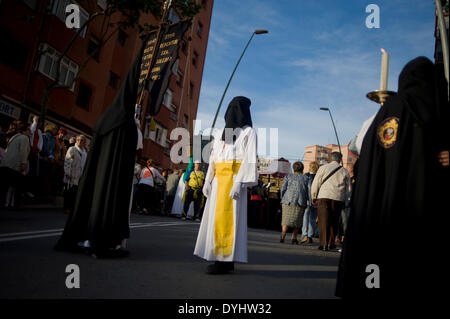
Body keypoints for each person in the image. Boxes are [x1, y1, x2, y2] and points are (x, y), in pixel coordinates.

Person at [336, 57, 449, 299]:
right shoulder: (436, 111)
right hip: (420, 211)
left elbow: (360, 151)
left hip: (378, 211)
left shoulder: (384, 113)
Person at [194, 96, 258, 275]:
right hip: (217, 181)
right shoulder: (220, 132)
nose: (233, 112)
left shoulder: (249, 132)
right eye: (231, 108)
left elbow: (249, 159)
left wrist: (239, 183)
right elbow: (214, 156)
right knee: (215, 217)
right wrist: (208, 179)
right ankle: (221, 256)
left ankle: (224, 259)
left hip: (234, 179)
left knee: (229, 218)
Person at [311, 152, 350, 251]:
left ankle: (323, 244)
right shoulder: (344, 171)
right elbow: (348, 189)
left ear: (330, 158)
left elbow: (316, 182)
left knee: (323, 220)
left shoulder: (323, 168)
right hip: (338, 198)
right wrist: (346, 200)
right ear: (340, 160)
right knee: (334, 221)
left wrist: (314, 196)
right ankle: (331, 243)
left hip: (324, 196)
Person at [0, 122, 30, 208]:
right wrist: (23, 163)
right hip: (14, 165)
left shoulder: (14, 137)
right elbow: (23, 151)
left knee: (4, 186)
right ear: (25, 130)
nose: (30, 132)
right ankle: (16, 205)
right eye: (29, 130)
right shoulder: (24, 138)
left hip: (5, 164)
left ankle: (3, 203)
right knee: (18, 186)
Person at [279, 161, 308, 244]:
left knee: (285, 219)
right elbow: (308, 190)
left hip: (287, 200)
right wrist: (309, 199)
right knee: (297, 221)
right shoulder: (306, 178)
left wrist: (282, 198)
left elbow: (283, 188)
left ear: (293, 168)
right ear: (302, 168)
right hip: (300, 201)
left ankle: (283, 235)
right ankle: (294, 238)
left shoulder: (288, 176)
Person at [63, 135, 87, 214]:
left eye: (82, 140)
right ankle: (67, 208)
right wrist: (67, 172)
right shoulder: (72, 149)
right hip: (72, 174)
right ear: (76, 141)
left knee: (76, 193)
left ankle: (73, 208)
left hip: (80, 175)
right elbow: (67, 161)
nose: (80, 141)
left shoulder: (84, 152)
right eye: (78, 140)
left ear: (85, 142)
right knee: (69, 192)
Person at [300, 161, 320, 244]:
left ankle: (304, 234)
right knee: (312, 219)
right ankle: (310, 235)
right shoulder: (319, 176)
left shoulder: (305, 176)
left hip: (307, 200)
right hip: (316, 200)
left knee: (305, 217)